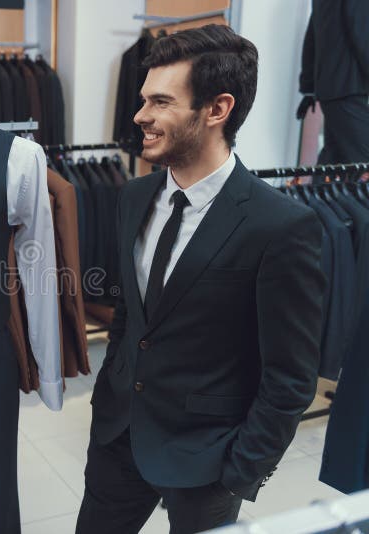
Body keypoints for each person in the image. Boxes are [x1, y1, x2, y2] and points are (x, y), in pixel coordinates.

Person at [76, 25, 325, 534]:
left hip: (210, 460)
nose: (139, 115)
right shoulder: (132, 197)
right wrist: (109, 395)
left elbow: (291, 375)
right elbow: (130, 314)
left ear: (216, 109)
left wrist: (239, 472)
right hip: (118, 436)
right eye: (144, 99)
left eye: (161, 101)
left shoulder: (280, 226)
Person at [297, 0, 369, 167]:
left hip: (332, 90)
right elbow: (362, 35)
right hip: (349, 88)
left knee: (333, 162)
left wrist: (308, 89)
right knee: (358, 164)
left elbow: (311, 38)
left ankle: (315, 193)